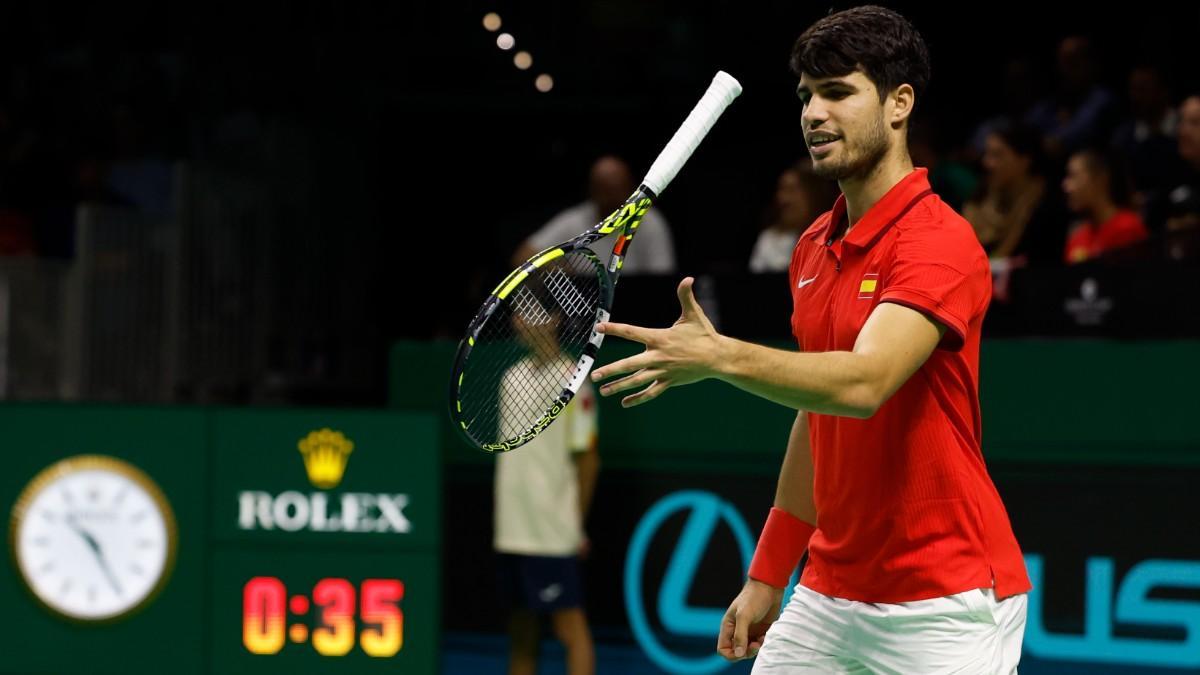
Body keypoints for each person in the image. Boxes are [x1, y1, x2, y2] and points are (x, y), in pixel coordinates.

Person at [589, 6, 1030, 672]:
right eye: (805, 96)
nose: (814, 114)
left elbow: (862, 383)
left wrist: (720, 356)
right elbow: (817, 414)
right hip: (831, 590)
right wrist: (769, 571)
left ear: (899, 103)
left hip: (946, 598)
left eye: (838, 91)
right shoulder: (813, 250)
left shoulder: (939, 241)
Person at [494, 308, 600, 675]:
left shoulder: (574, 380)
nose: (523, 324)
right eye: (519, 316)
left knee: (569, 628)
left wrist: (575, 524)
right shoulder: (511, 377)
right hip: (511, 527)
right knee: (521, 631)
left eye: (533, 314)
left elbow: (588, 459)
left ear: (555, 318)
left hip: (553, 531)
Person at [512, 155, 675, 274]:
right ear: (592, 191)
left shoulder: (652, 222)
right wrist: (563, 274)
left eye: (617, 190)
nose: (613, 198)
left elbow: (662, 276)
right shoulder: (573, 220)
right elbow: (523, 255)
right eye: (606, 191)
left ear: (630, 189)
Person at [962, 121, 1068, 264]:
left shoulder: (1044, 209)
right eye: (987, 154)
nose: (987, 162)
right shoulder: (978, 198)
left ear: (1024, 160)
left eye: (997, 155)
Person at [749, 159, 837, 272]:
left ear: (813, 195)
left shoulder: (834, 236)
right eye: (781, 190)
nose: (783, 199)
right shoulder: (768, 240)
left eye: (792, 190)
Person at [1062, 149, 1148, 264]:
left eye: (1073, 176)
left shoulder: (1127, 229)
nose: (1066, 186)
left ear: (1100, 179)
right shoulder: (1077, 239)